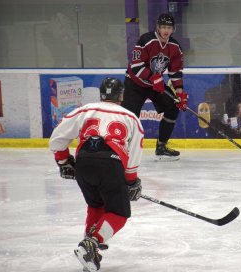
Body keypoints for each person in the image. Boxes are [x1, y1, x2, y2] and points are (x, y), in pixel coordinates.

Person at [49, 77, 144, 272]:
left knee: (96, 204)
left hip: (83, 162)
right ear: (122, 95)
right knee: (119, 213)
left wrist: (63, 161)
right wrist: (131, 182)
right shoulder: (131, 117)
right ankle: (92, 243)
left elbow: (57, 138)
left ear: (101, 94)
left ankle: (89, 251)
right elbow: (134, 153)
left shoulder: (85, 110)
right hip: (111, 164)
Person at [121, 13, 188, 161]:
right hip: (135, 83)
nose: (166, 30)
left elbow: (175, 72)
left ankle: (161, 147)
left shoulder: (175, 46)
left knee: (173, 106)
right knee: (130, 117)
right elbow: (136, 66)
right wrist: (153, 77)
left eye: (169, 27)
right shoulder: (146, 40)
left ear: (173, 29)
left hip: (154, 84)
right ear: (158, 27)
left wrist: (179, 93)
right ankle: (121, 148)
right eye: (163, 27)